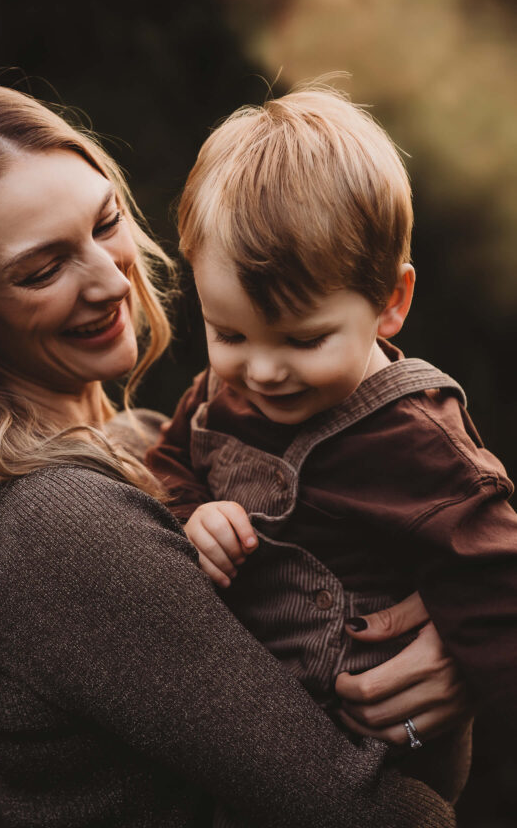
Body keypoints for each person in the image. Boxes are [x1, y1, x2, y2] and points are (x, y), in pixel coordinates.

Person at [0, 82, 465, 828]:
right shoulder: (48, 522)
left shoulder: (156, 445)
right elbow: (360, 810)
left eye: (105, 223)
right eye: (41, 270)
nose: (111, 278)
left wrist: (456, 646)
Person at [147, 86, 517, 803]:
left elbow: (502, 586)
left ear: (390, 302)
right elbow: (166, 461)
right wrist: (190, 512)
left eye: (302, 339)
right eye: (228, 334)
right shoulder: (220, 392)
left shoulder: (414, 439)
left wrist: (469, 668)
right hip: (255, 759)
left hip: (380, 767)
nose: (260, 370)